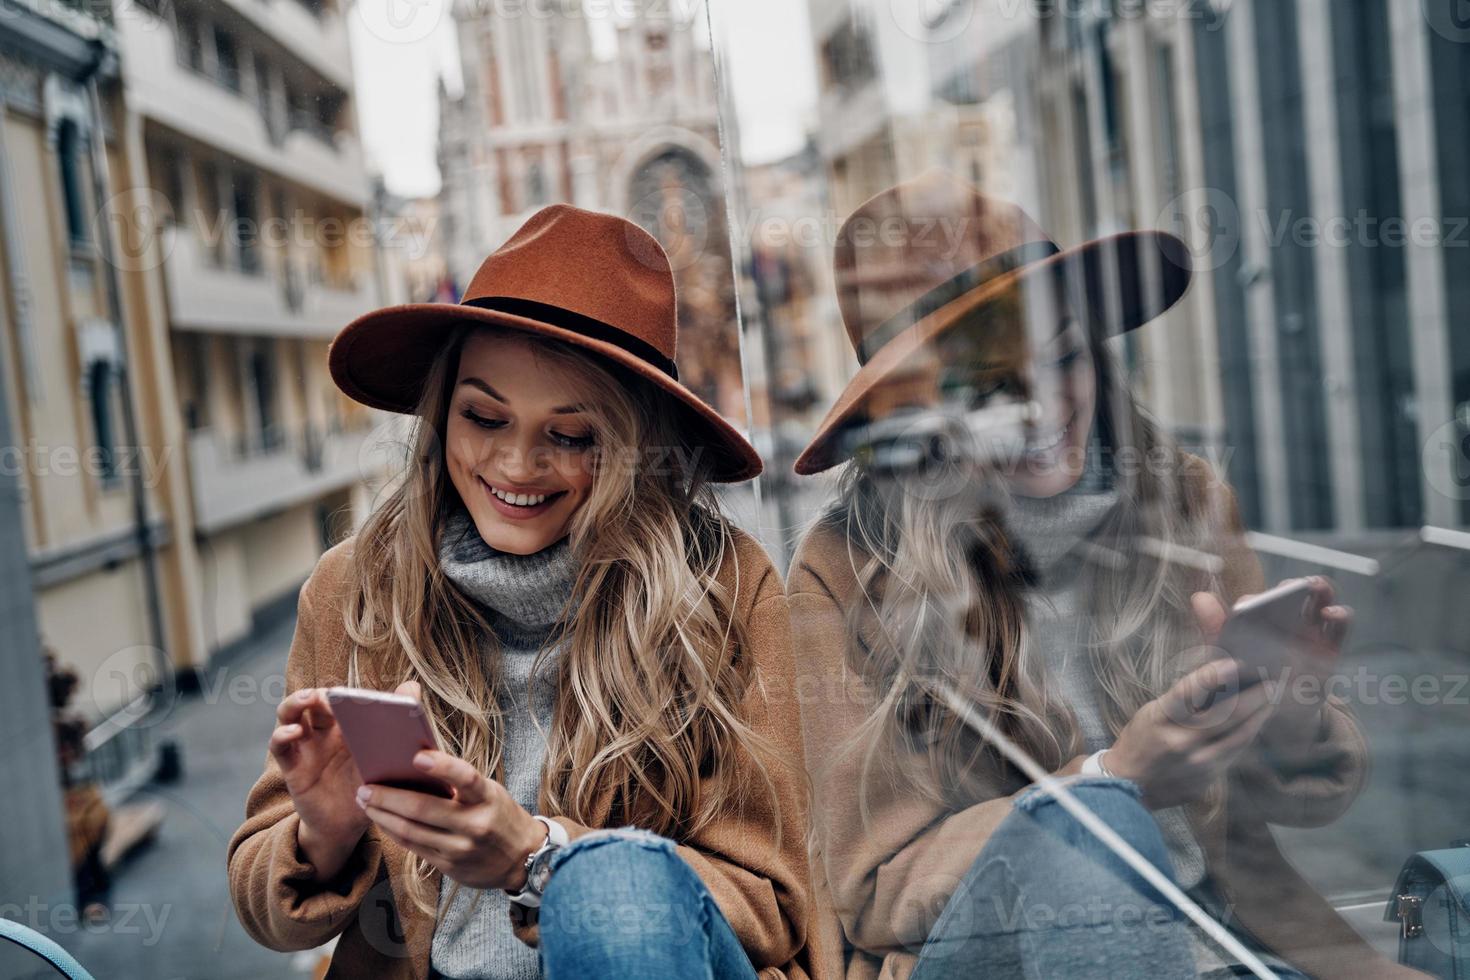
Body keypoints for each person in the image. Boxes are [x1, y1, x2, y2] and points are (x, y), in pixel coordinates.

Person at [787, 172, 1413, 980]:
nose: (1045, 407)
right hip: (995, 961)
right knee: (1082, 848)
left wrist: (1288, 713)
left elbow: (1297, 806)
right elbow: (873, 887)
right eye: (993, 389)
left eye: (1064, 359)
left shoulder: (1182, 499)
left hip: (1221, 947)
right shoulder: (845, 568)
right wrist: (1112, 785)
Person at [228, 204, 816, 979]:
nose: (514, 465)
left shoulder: (726, 587)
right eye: (483, 417)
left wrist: (542, 859)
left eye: (569, 436)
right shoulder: (355, 588)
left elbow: (772, 907)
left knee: (617, 881)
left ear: (637, 446)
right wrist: (323, 834)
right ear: (442, 415)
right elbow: (263, 905)